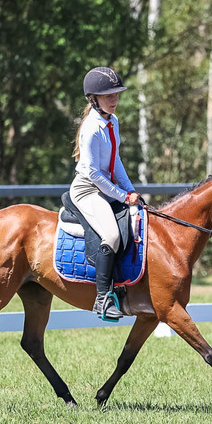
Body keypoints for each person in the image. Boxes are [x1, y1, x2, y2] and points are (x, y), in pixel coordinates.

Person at [71, 66, 141, 320]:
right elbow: (93, 174)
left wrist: (130, 189)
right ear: (94, 99)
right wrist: (122, 196)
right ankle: (102, 299)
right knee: (111, 234)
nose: (115, 100)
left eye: (116, 95)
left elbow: (116, 161)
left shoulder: (113, 122)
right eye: (109, 96)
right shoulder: (91, 128)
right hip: (87, 189)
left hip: (106, 188)